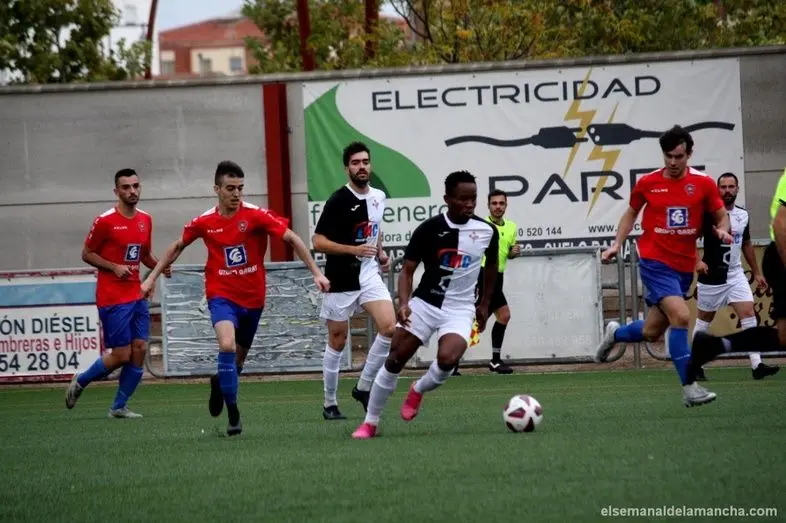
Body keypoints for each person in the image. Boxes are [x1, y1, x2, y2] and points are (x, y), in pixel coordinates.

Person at [140, 161, 330, 436]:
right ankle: (233, 414)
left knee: (237, 363)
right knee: (226, 345)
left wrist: (316, 273)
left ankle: (220, 381)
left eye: (240, 188)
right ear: (216, 189)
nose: (236, 193)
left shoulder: (256, 215)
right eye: (230, 188)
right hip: (221, 295)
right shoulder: (205, 221)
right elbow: (178, 245)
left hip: (253, 299)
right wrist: (151, 278)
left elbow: (291, 238)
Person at [351, 170, 499, 439]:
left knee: (448, 359)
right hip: (425, 303)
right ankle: (370, 423)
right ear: (447, 199)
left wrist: (485, 304)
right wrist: (404, 303)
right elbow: (407, 271)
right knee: (395, 359)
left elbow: (492, 268)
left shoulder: (487, 231)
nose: (469, 204)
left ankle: (418, 389)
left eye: (473, 199)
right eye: (463, 199)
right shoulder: (428, 229)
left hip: (460, 308)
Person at [593, 125, 732, 407]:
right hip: (654, 261)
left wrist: (722, 230)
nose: (672, 162)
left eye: (678, 156)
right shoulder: (648, 183)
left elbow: (721, 215)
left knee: (651, 331)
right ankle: (690, 387)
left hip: (683, 267)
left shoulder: (704, 183)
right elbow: (631, 213)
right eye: (668, 156)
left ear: (689, 154)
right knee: (681, 316)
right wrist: (617, 244)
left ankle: (615, 333)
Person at [66, 168, 169, 418]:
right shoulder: (105, 221)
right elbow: (87, 253)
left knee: (140, 348)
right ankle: (81, 380)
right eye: (126, 187)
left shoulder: (146, 219)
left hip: (136, 294)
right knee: (122, 355)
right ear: (116, 191)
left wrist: (160, 266)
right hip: (112, 297)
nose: (132, 191)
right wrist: (113, 267)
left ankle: (119, 407)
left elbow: (144, 254)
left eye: (135, 186)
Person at [312, 142, 396, 420]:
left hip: (369, 274)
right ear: (347, 168)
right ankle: (329, 403)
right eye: (356, 163)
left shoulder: (379, 196)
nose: (362, 167)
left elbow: (375, 229)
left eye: (365, 162)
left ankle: (363, 386)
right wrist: (353, 250)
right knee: (338, 340)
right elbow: (318, 241)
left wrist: (380, 252)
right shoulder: (338, 200)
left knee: (389, 327)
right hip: (341, 277)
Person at [688, 168, 786, 375]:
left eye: (731, 186)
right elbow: (689, 238)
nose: (727, 190)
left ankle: (757, 365)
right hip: (712, 276)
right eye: (723, 187)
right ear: (717, 190)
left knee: (749, 313)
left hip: (735, 274)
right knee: (704, 319)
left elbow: (747, 244)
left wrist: (757, 272)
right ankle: (695, 363)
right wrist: (697, 261)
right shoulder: (708, 214)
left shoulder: (743, 215)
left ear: (737, 189)